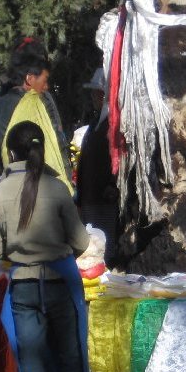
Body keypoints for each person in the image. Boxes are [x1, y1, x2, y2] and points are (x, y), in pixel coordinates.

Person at [0, 120, 100, 372]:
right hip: (59, 283)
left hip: (23, 287)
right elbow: (81, 241)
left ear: (12, 152)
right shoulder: (57, 188)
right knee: (69, 363)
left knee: (32, 368)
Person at [0, 37, 72, 192]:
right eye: (44, 78)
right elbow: (57, 144)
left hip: (9, 188)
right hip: (40, 191)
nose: (46, 86)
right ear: (30, 77)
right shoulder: (39, 101)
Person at [76, 67, 118, 264]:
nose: (94, 97)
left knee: (105, 250)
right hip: (91, 199)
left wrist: (113, 185)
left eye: (97, 93)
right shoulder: (95, 123)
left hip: (105, 202)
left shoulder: (115, 124)